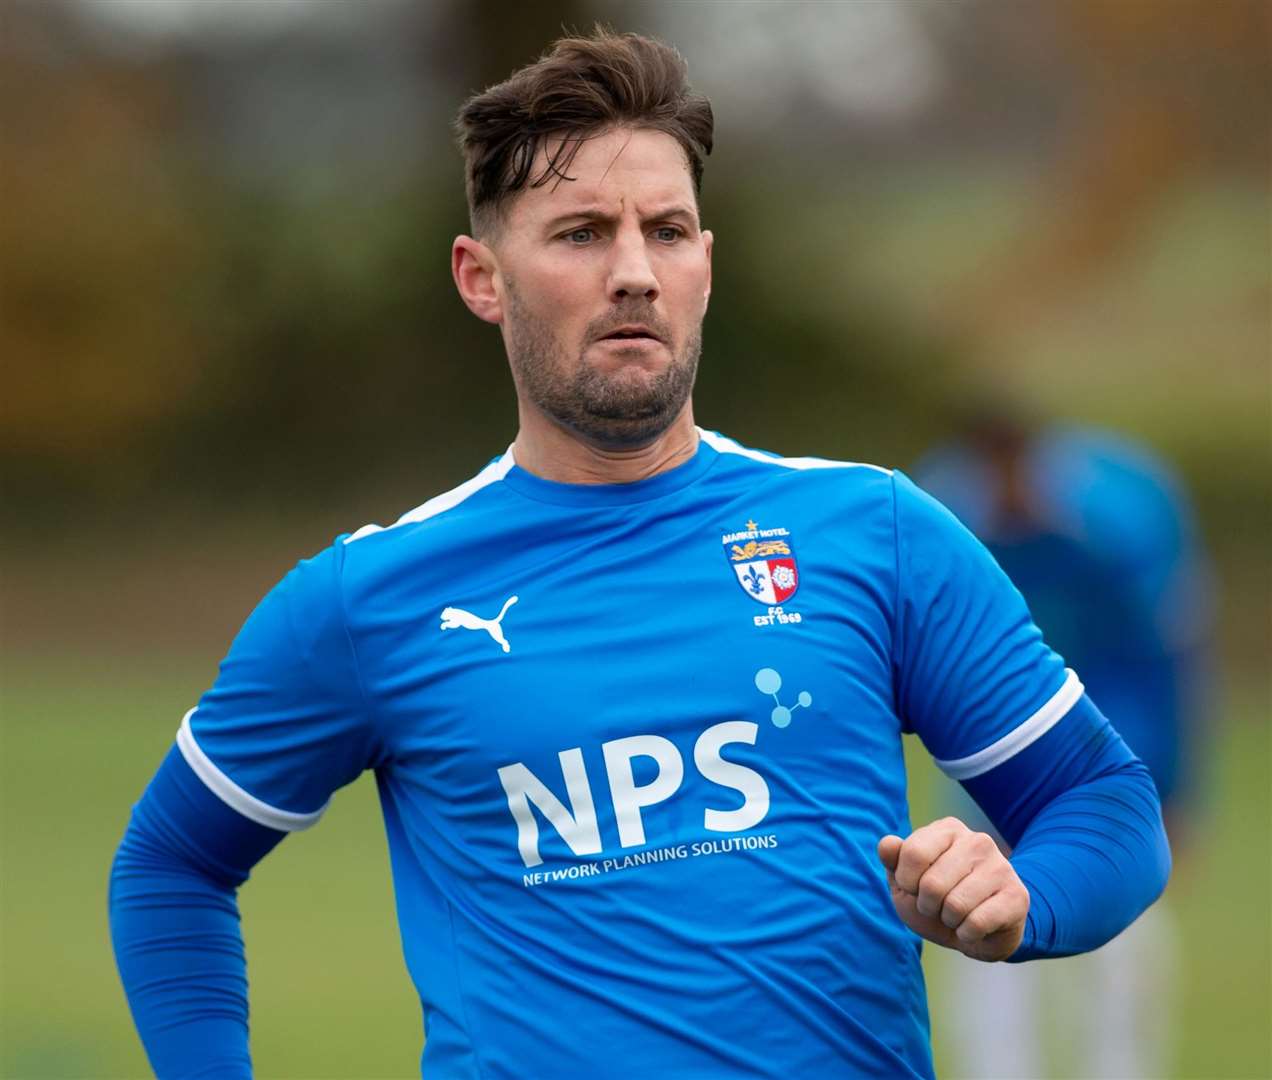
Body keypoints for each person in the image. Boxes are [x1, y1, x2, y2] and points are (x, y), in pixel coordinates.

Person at [110, 30, 1171, 1079]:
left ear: (706, 263)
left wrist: (1023, 902)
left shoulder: (875, 532)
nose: (634, 273)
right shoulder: (371, 597)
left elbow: (1104, 804)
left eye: (666, 230)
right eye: (578, 233)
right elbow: (170, 866)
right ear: (482, 278)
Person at [916, 413, 1212, 1078]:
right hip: (991, 757)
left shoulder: (1124, 517)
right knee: (982, 928)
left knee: (1121, 940)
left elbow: (1168, 658)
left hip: (1111, 748)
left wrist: (1177, 786)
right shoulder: (942, 520)